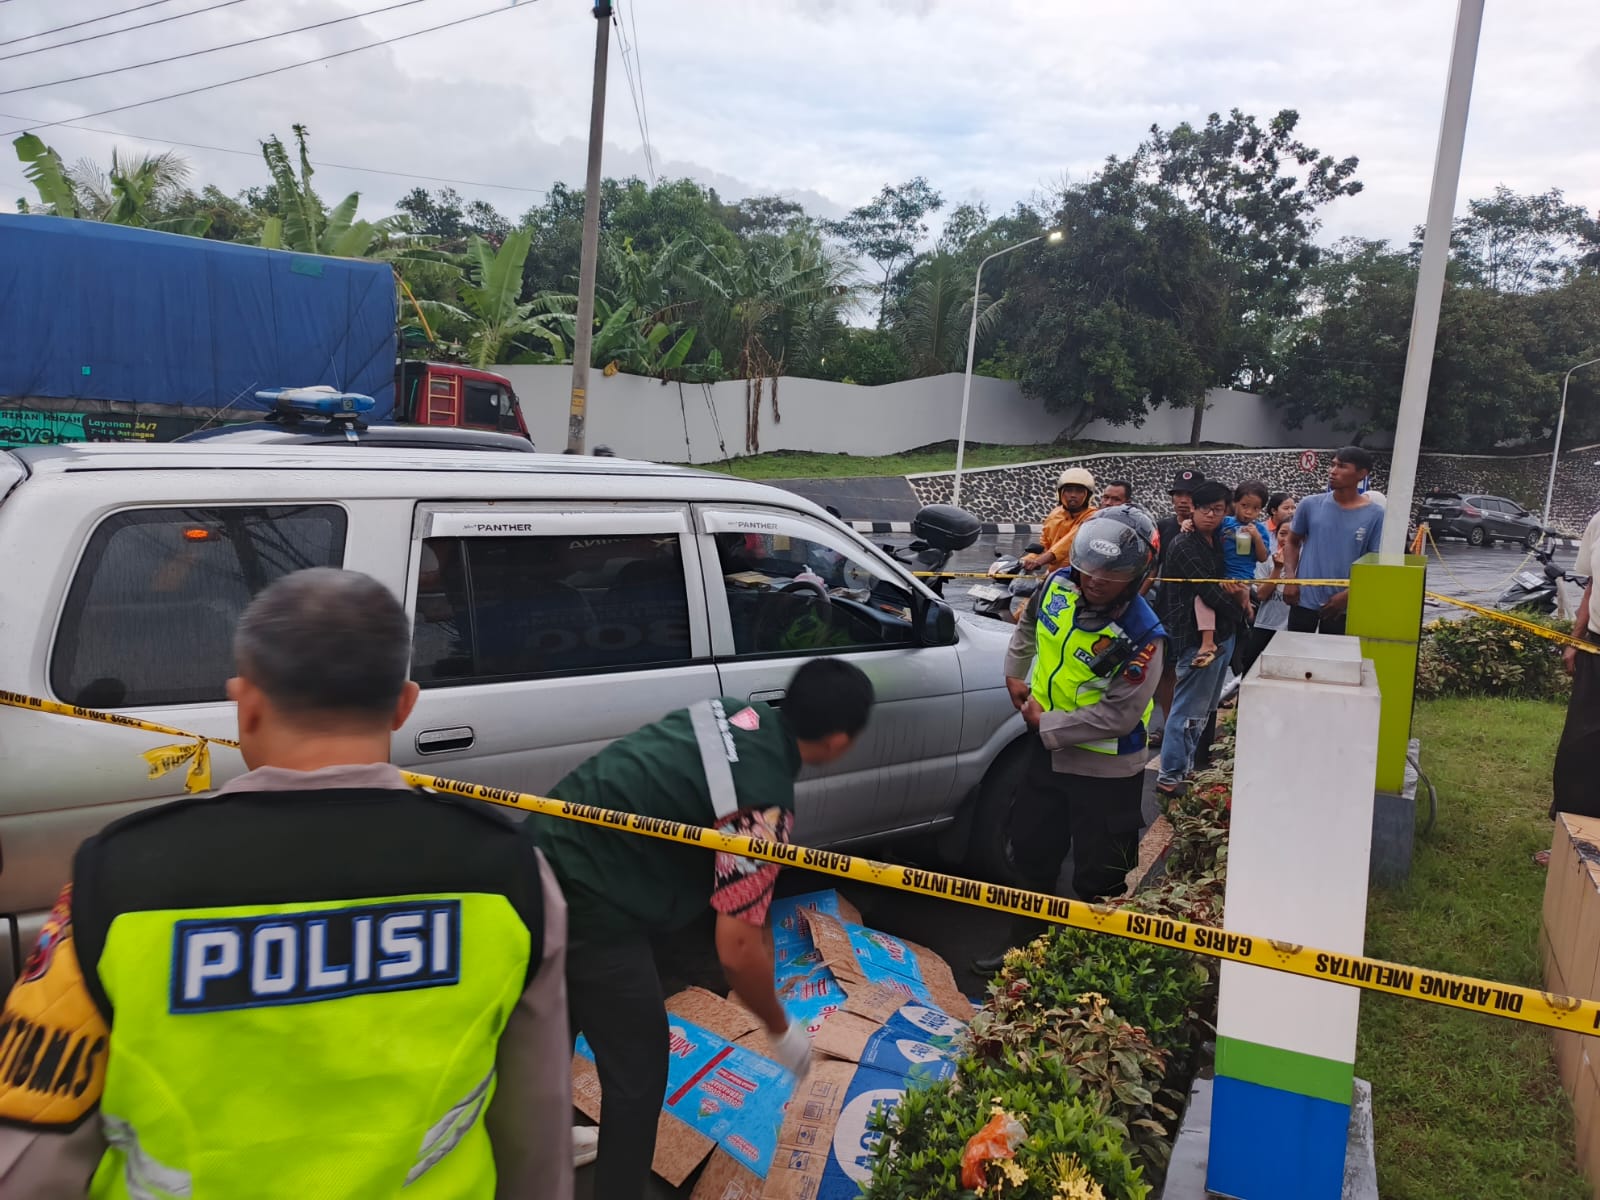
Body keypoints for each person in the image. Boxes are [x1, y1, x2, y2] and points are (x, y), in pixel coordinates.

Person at [0, 568, 572, 1199]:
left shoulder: (116, 876)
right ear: (404, 705)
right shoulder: (509, 871)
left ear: (245, 702)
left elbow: (34, 1143)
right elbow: (538, 1128)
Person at [529, 660, 874, 1199]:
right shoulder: (762, 808)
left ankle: (541, 1144)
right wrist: (780, 1027)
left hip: (537, 854)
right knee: (638, 1069)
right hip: (589, 903)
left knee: (554, 1023)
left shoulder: (733, 713)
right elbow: (735, 949)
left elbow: (744, 906)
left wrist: (760, 937)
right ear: (837, 741)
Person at [972, 506, 1167, 973]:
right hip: (1044, 756)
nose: (1095, 580)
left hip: (1105, 770)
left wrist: (1047, 725)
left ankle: (1091, 966)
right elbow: (1029, 625)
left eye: (1111, 573)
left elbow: (1119, 714)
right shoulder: (1058, 583)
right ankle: (1025, 951)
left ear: (1138, 574)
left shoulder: (1143, 635)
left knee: (1101, 874)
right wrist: (1015, 671)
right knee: (1031, 853)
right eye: (1090, 567)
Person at [1157, 481, 1249, 796]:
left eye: (1218, 510)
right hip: (1195, 639)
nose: (1211, 515)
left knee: (1203, 710)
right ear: (1193, 510)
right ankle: (1170, 776)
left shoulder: (1221, 538)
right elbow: (1208, 590)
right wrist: (1240, 608)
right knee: (1187, 710)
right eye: (1205, 509)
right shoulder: (1185, 544)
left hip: (1222, 634)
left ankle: (1184, 771)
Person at [1283, 446, 1385, 636]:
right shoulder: (1310, 504)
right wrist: (1289, 579)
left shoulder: (1376, 515)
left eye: (1342, 466)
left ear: (1362, 474)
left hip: (1342, 606)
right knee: (1296, 651)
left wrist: (1349, 595)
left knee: (1335, 653)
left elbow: (1374, 563)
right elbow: (1292, 542)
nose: (1333, 471)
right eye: (1332, 465)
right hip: (1303, 600)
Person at [1550, 514, 1600, 836]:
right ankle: (1570, 840)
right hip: (1595, 646)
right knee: (1579, 747)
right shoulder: (1598, 522)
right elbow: (1591, 588)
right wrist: (1575, 641)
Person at [1147, 469, 1205, 747]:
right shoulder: (1163, 526)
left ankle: (1193, 730)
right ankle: (1170, 727)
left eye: (1189, 495)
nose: (1183, 500)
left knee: (1193, 671)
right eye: (1178, 494)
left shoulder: (1209, 529)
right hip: (1166, 607)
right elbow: (1152, 568)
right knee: (1166, 670)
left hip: (1198, 610)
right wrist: (1135, 600)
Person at [1190, 481, 1269, 669]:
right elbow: (1204, 530)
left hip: (1242, 577)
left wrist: (1256, 538)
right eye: (1244, 506)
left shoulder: (1259, 530)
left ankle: (1209, 640)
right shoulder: (1225, 523)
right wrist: (1188, 523)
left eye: (1255, 508)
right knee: (1210, 599)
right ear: (1235, 503)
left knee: (1205, 599)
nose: (1249, 512)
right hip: (1223, 574)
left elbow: (1263, 557)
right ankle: (1246, 606)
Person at [1235, 492, 1297, 678]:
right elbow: (1261, 595)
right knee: (1251, 668)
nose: (1286, 539)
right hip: (1265, 624)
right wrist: (1277, 569)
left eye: (1292, 535)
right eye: (1282, 534)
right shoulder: (1268, 560)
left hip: (1290, 627)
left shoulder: (1306, 562)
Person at [1023, 467, 1097, 572]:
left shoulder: (1092, 517)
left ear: (1088, 495)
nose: (1073, 495)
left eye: (1079, 491)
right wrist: (1026, 560)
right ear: (1060, 493)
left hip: (1078, 574)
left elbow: (1069, 542)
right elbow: (1044, 545)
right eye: (1069, 490)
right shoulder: (1054, 514)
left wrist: (1040, 561)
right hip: (1054, 574)